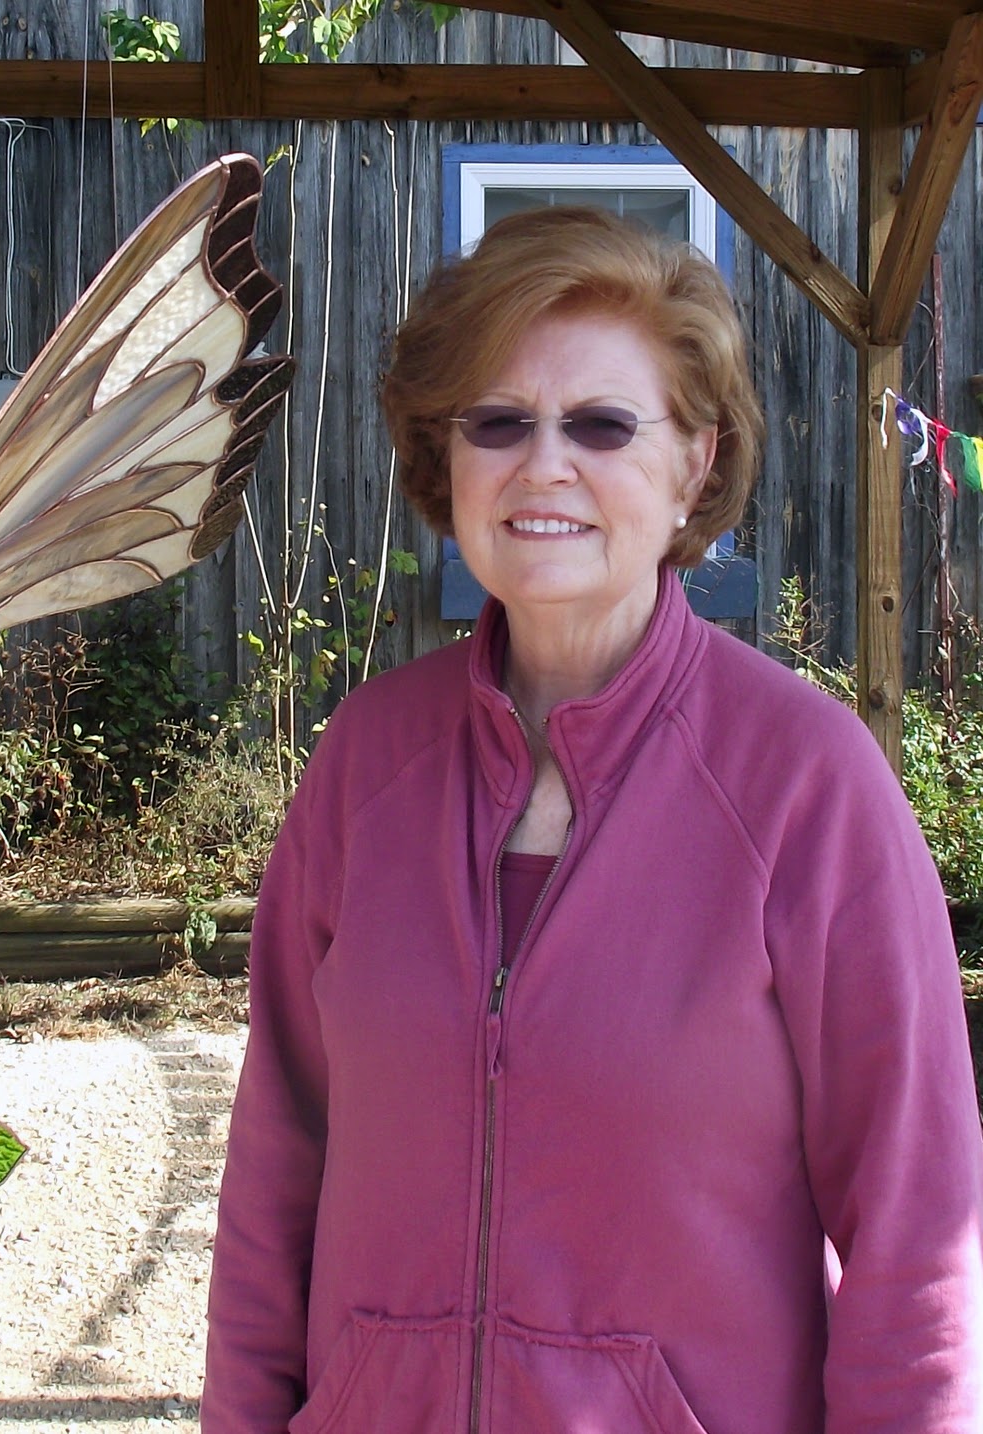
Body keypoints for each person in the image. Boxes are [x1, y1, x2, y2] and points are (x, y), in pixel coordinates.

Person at [201, 206, 983, 1433]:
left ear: (694, 466)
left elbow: (916, 1236)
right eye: (498, 421)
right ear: (445, 454)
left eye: (603, 425)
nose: (542, 465)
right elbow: (274, 1172)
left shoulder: (805, 786)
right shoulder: (365, 764)